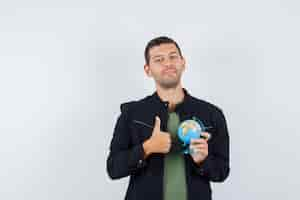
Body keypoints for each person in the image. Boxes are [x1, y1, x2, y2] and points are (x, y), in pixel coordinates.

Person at [106, 36, 230, 200]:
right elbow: (114, 168)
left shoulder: (212, 114)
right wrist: (147, 148)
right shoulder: (131, 114)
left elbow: (221, 172)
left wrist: (203, 161)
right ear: (148, 70)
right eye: (159, 59)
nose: (168, 63)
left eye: (173, 57)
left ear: (183, 63)